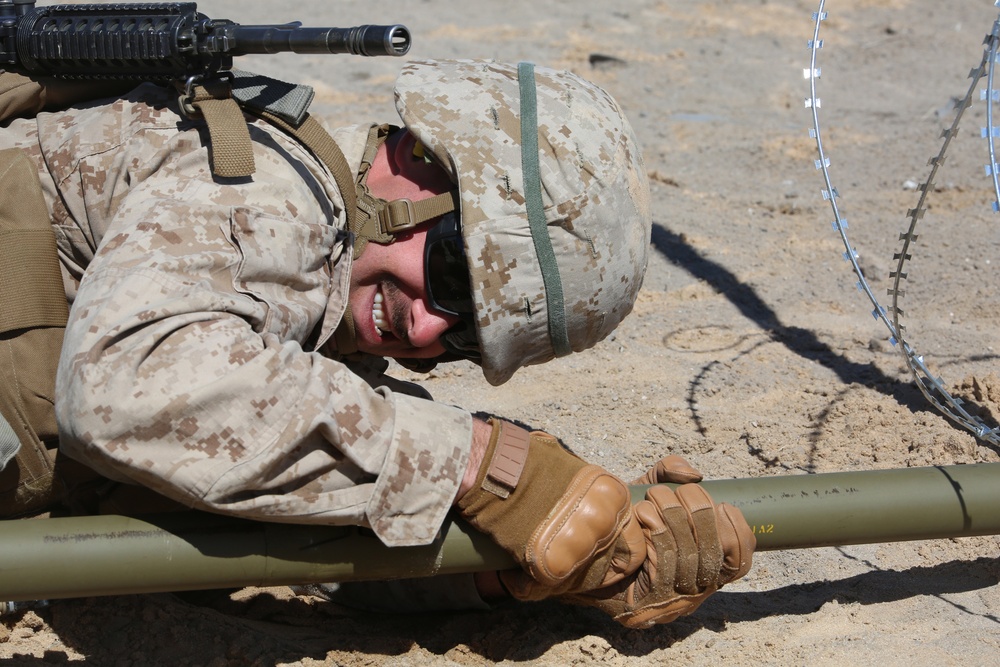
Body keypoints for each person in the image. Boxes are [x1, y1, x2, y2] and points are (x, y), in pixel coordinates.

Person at [0, 58, 754, 627]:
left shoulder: (323, 330)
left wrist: (535, 566)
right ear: (413, 157)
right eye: (454, 274)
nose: (426, 327)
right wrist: (478, 463)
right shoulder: (266, 188)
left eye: (464, 337)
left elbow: (318, 557)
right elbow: (126, 389)